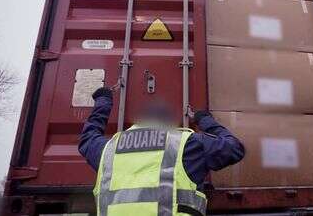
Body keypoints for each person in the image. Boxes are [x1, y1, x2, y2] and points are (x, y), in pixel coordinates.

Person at [78, 87, 245, 216]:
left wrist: (103, 101)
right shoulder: (185, 144)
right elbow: (234, 148)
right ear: (170, 122)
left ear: (140, 119)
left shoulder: (109, 149)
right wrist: (205, 120)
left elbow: (88, 138)